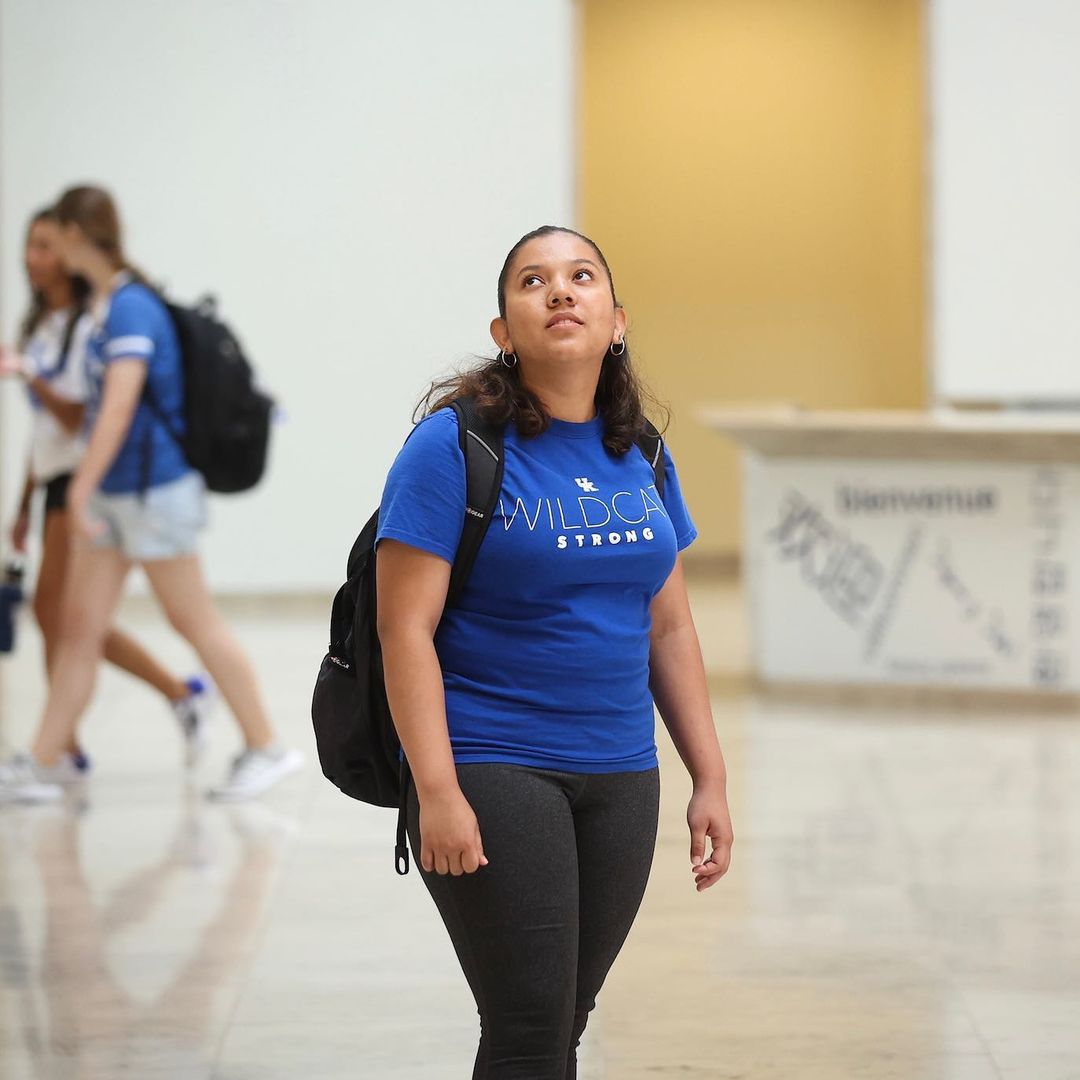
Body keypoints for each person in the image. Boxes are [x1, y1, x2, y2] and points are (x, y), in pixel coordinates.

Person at [375, 225, 734, 1078]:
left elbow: (670, 627)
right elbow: (403, 630)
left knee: (561, 1020)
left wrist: (709, 776)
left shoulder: (642, 451)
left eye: (581, 276)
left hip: (621, 773)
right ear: (504, 331)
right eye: (533, 281)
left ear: (617, 321)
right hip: (493, 762)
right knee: (529, 1025)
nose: (561, 291)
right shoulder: (453, 448)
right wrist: (436, 791)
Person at [0, 185, 301, 804]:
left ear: (76, 236)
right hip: (118, 495)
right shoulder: (107, 304)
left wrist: (78, 489)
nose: (50, 253)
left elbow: (116, 408)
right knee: (79, 630)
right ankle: (43, 760)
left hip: (153, 492)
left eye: (56, 239)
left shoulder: (131, 306)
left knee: (193, 619)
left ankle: (267, 747)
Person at [1, 207, 212, 773]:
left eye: (47, 245)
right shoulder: (41, 324)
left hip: (88, 477)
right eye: (30, 245)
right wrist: (22, 502)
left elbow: (82, 417)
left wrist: (29, 374)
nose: (34, 257)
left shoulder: (97, 318)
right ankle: (60, 747)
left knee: (68, 616)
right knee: (67, 618)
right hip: (58, 479)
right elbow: (42, 431)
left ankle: (68, 744)